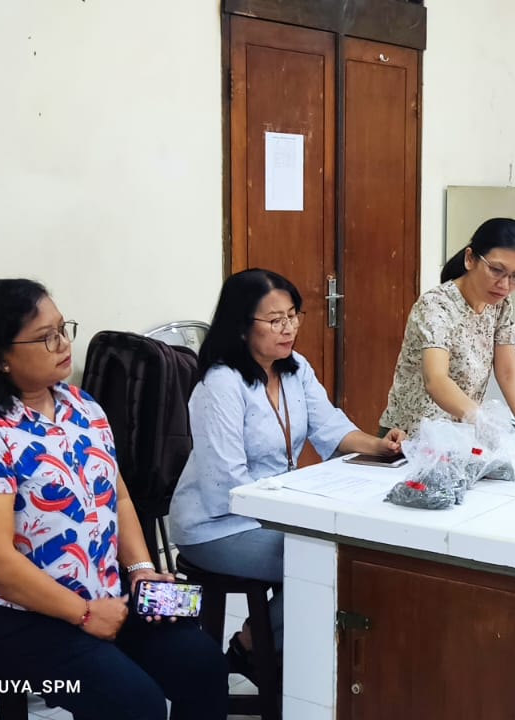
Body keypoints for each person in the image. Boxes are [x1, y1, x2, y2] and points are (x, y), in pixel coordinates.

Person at [0, 279, 226, 720]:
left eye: (62, 328)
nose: (62, 344)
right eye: (44, 336)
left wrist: (142, 571)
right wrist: (84, 614)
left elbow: (119, 497)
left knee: (201, 665)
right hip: (16, 615)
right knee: (133, 704)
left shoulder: (82, 407)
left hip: (105, 594)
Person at [170, 268, 404, 681]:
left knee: (341, 554)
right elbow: (227, 485)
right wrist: (295, 505)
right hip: (218, 525)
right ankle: (252, 647)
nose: (289, 328)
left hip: (274, 513)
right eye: (275, 320)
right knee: (322, 561)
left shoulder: (294, 368)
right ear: (242, 326)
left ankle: (273, 654)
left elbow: (330, 425)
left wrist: (379, 446)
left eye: (293, 315)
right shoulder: (221, 384)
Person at [380, 217, 515, 436]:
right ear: (470, 259)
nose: (504, 285)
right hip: (411, 438)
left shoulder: (500, 306)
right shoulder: (437, 305)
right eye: (496, 270)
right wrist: (482, 421)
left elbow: (508, 371)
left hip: (459, 435)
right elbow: (436, 380)